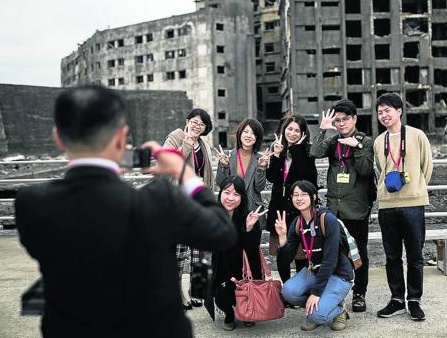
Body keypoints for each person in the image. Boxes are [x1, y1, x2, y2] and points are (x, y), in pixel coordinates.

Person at [14, 86, 236, 338]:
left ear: (58, 138)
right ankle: (192, 292)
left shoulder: (31, 204)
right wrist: (183, 173)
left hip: (72, 329)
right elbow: (221, 231)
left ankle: (198, 292)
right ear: (122, 137)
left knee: (194, 260)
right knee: (185, 258)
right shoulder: (160, 200)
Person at [310, 99, 375, 312]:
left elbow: (365, 171)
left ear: (354, 119)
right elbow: (316, 152)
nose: (341, 123)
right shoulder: (334, 141)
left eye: (345, 119)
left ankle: (359, 293)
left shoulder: (365, 141)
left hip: (356, 208)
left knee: (360, 252)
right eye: (337, 120)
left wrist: (355, 147)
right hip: (334, 207)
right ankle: (337, 293)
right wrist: (324, 129)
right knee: (334, 252)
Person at [372, 93, 432, 321]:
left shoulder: (417, 136)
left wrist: (416, 189)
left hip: (413, 204)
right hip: (387, 205)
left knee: (415, 256)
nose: (384, 115)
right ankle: (397, 299)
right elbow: (380, 168)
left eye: (388, 110)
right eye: (380, 112)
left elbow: (427, 167)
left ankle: (414, 299)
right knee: (392, 256)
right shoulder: (379, 141)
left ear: (399, 111)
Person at [276, 180, 353, 332]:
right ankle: (322, 306)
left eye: (304, 194)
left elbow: (330, 260)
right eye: (295, 195)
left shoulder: (327, 219)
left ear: (313, 196)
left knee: (317, 315)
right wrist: (283, 238)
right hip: (316, 271)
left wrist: (316, 293)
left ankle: (339, 309)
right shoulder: (297, 223)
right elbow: (285, 261)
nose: (299, 198)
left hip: (338, 274)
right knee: (288, 292)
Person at [164, 108, 215, 310]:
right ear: (187, 121)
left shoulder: (203, 145)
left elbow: (207, 175)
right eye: (194, 121)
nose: (197, 126)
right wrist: (186, 142)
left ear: (205, 129)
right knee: (178, 253)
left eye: (201, 124)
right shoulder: (174, 138)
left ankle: (198, 292)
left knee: (200, 252)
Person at [265, 114, 318, 284]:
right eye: (289, 129)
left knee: (301, 253)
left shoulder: (307, 152)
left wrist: (297, 150)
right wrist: (276, 156)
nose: (292, 133)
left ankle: (299, 288)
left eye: (297, 130)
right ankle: (287, 287)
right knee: (282, 252)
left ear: (303, 133)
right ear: (283, 130)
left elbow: (308, 179)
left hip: (298, 209)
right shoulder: (278, 148)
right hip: (279, 208)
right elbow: (272, 178)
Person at [209, 175, 266, 331]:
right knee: (221, 296)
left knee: (245, 291)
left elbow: (253, 253)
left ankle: (248, 311)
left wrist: (248, 229)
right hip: (223, 272)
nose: (230, 198)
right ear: (220, 193)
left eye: (236, 194)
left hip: (245, 273)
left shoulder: (249, 217)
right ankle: (229, 313)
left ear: (242, 197)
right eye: (227, 192)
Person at [215, 118, 270, 214]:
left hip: (252, 209)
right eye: (246, 132)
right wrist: (224, 165)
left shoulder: (261, 159)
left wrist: (261, 168)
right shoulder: (227, 155)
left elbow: (259, 187)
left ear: (257, 137)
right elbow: (220, 183)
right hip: (230, 208)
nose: (249, 136)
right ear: (240, 134)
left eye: (253, 133)